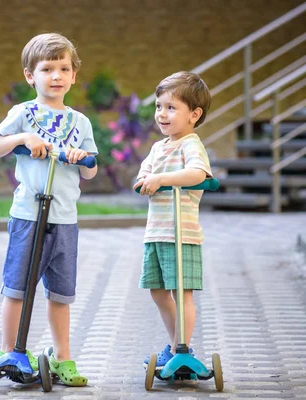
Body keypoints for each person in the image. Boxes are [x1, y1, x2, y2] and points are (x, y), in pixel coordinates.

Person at [0, 32, 98, 386]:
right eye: (48, 68)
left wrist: (80, 158)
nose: (57, 76)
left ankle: (62, 358)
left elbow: (91, 170)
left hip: (65, 219)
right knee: (18, 286)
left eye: (64, 68)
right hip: (29, 216)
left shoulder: (80, 123)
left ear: (74, 76)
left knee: (61, 293)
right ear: (31, 75)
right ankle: (11, 350)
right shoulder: (23, 114)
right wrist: (22, 139)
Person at [133, 71, 213, 369]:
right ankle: (175, 345)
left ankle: (183, 350)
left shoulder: (190, 144)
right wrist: (145, 181)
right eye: (158, 106)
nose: (162, 114)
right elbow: (143, 176)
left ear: (194, 114)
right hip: (156, 232)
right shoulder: (158, 147)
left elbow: (199, 174)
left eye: (171, 108)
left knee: (182, 292)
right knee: (158, 290)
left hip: (182, 233)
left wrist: (162, 178)